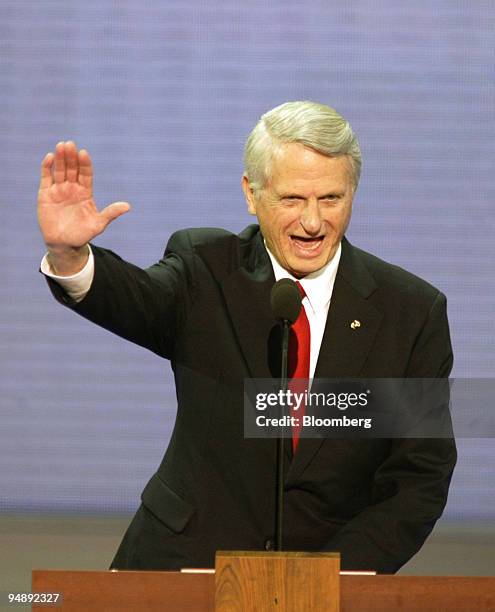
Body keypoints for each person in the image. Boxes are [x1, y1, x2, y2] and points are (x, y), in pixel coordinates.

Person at [38, 101, 456, 573]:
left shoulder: (411, 313)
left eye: (332, 199)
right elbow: (137, 298)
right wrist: (71, 258)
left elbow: (418, 478)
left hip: (327, 580)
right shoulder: (207, 271)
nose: (313, 223)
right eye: (293, 199)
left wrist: (331, 580)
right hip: (180, 568)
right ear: (251, 195)